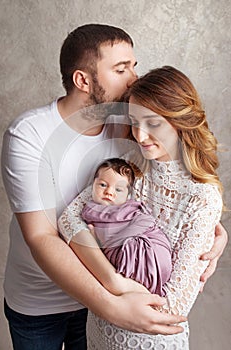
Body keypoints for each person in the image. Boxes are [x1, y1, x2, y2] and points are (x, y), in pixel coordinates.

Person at [0, 22, 227, 350]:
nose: (134, 78)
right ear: (83, 80)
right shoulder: (29, 135)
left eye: (134, 65)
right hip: (43, 303)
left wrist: (212, 231)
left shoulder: (129, 129)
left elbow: (164, 193)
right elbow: (41, 237)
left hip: (104, 309)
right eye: (121, 69)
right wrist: (113, 301)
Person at [58, 66, 224, 349]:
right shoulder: (130, 165)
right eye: (135, 122)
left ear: (180, 120)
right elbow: (69, 218)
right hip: (98, 331)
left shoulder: (202, 197)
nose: (141, 135)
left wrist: (102, 274)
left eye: (153, 123)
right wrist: (114, 283)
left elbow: (172, 310)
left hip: (151, 343)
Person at [59, 157, 172, 295]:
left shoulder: (129, 209)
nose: (109, 192)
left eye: (118, 189)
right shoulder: (88, 212)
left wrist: (110, 243)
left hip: (152, 249)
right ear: (93, 185)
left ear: (127, 196)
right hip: (120, 260)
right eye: (102, 185)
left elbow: (146, 222)